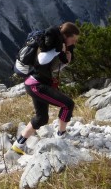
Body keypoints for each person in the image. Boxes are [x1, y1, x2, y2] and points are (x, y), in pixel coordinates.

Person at [12, 22, 80, 155]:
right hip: (37, 85)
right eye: (72, 39)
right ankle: (61, 136)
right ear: (65, 36)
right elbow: (42, 60)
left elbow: (51, 67)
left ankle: (18, 144)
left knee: (42, 118)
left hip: (35, 83)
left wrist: (66, 59)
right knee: (68, 104)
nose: (74, 42)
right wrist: (59, 49)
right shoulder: (53, 45)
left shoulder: (58, 45)